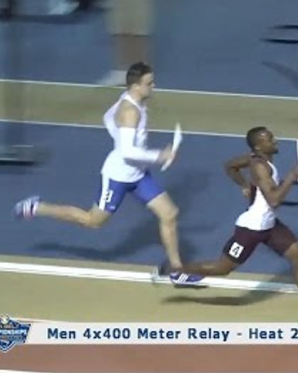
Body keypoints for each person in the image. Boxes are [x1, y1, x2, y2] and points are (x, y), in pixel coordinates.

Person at [13, 62, 203, 286]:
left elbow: (107, 117)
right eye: (149, 83)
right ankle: (38, 207)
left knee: (169, 213)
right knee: (92, 221)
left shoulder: (129, 101)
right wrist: (160, 155)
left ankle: (175, 269)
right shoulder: (130, 111)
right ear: (135, 86)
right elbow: (127, 152)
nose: (153, 86)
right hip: (118, 177)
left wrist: (119, 136)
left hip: (138, 174)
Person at [156, 126, 298, 322]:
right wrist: (292, 177)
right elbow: (274, 200)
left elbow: (230, 166)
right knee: (222, 269)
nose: (274, 141)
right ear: (259, 147)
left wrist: (244, 185)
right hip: (251, 229)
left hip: (270, 226)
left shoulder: (254, 159)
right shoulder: (260, 166)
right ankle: (177, 270)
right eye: (269, 139)